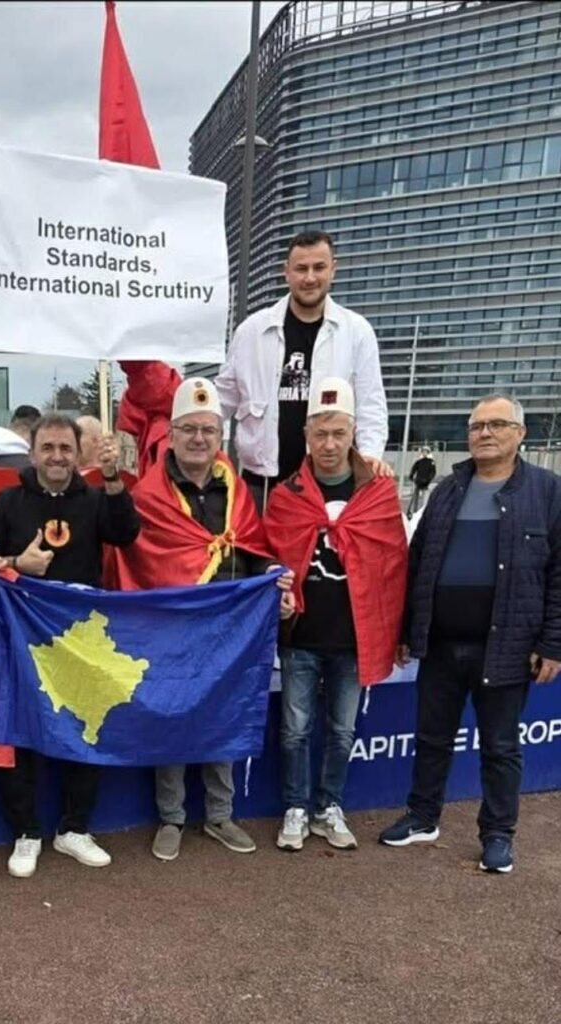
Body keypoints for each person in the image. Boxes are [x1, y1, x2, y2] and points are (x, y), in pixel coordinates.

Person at [112, 374, 294, 863]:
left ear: (220, 437)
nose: (198, 439)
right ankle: (171, 817)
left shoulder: (236, 490)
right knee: (172, 720)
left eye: (208, 430)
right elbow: (136, 558)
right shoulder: (148, 495)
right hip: (171, 633)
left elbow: (253, 548)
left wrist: (270, 573)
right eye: (189, 429)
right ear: (171, 435)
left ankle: (219, 815)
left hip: (230, 633)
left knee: (223, 717)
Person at [379, 395, 561, 874]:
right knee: (431, 738)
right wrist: (405, 628)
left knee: (500, 747)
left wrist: (552, 643)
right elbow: (418, 563)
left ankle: (498, 835)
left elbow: (559, 574)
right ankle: (423, 817)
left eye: (497, 424)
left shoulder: (547, 492)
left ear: (520, 433)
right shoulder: (448, 489)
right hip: (441, 644)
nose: (484, 433)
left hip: (507, 648)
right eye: (477, 425)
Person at [0, 413, 140, 878]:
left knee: (85, 731)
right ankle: (26, 832)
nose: (57, 457)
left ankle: (74, 829)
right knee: (21, 735)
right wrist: (14, 562)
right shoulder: (7, 502)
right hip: (22, 642)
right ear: (32, 453)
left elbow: (126, 533)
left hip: (81, 642)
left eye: (66, 448)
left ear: (77, 452)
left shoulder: (94, 500)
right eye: (47, 447)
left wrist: (112, 477)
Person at [263, 378, 407, 852]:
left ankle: (329, 806)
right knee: (294, 731)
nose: (329, 444)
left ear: (353, 434)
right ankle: (295, 807)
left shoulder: (379, 491)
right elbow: (268, 557)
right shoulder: (285, 495)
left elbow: (393, 566)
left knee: (343, 731)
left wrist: (399, 631)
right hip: (301, 636)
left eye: (338, 433)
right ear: (306, 435)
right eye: (320, 434)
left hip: (354, 639)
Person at [214, 229, 391, 512]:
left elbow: (371, 405)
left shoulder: (356, 332)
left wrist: (369, 457)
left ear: (333, 269)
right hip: (261, 488)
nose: (310, 278)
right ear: (286, 272)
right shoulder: (251, 332)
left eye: (319, 267)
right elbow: (221, 400)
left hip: (327, 489)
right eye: (301, 269)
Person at [407, 446, 437, 518]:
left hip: (426, 483)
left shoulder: (431, 462)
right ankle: (415, 512)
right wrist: (411, 476)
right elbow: (414, 469)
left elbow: (433, 472)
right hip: (418, 482)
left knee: (425, 499)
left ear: (428, 453)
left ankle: (424, 512)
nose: (424, 453)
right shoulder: (419, 461)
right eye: (423, 452)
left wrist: (428, 480)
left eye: (426, 452)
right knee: (415, 498)